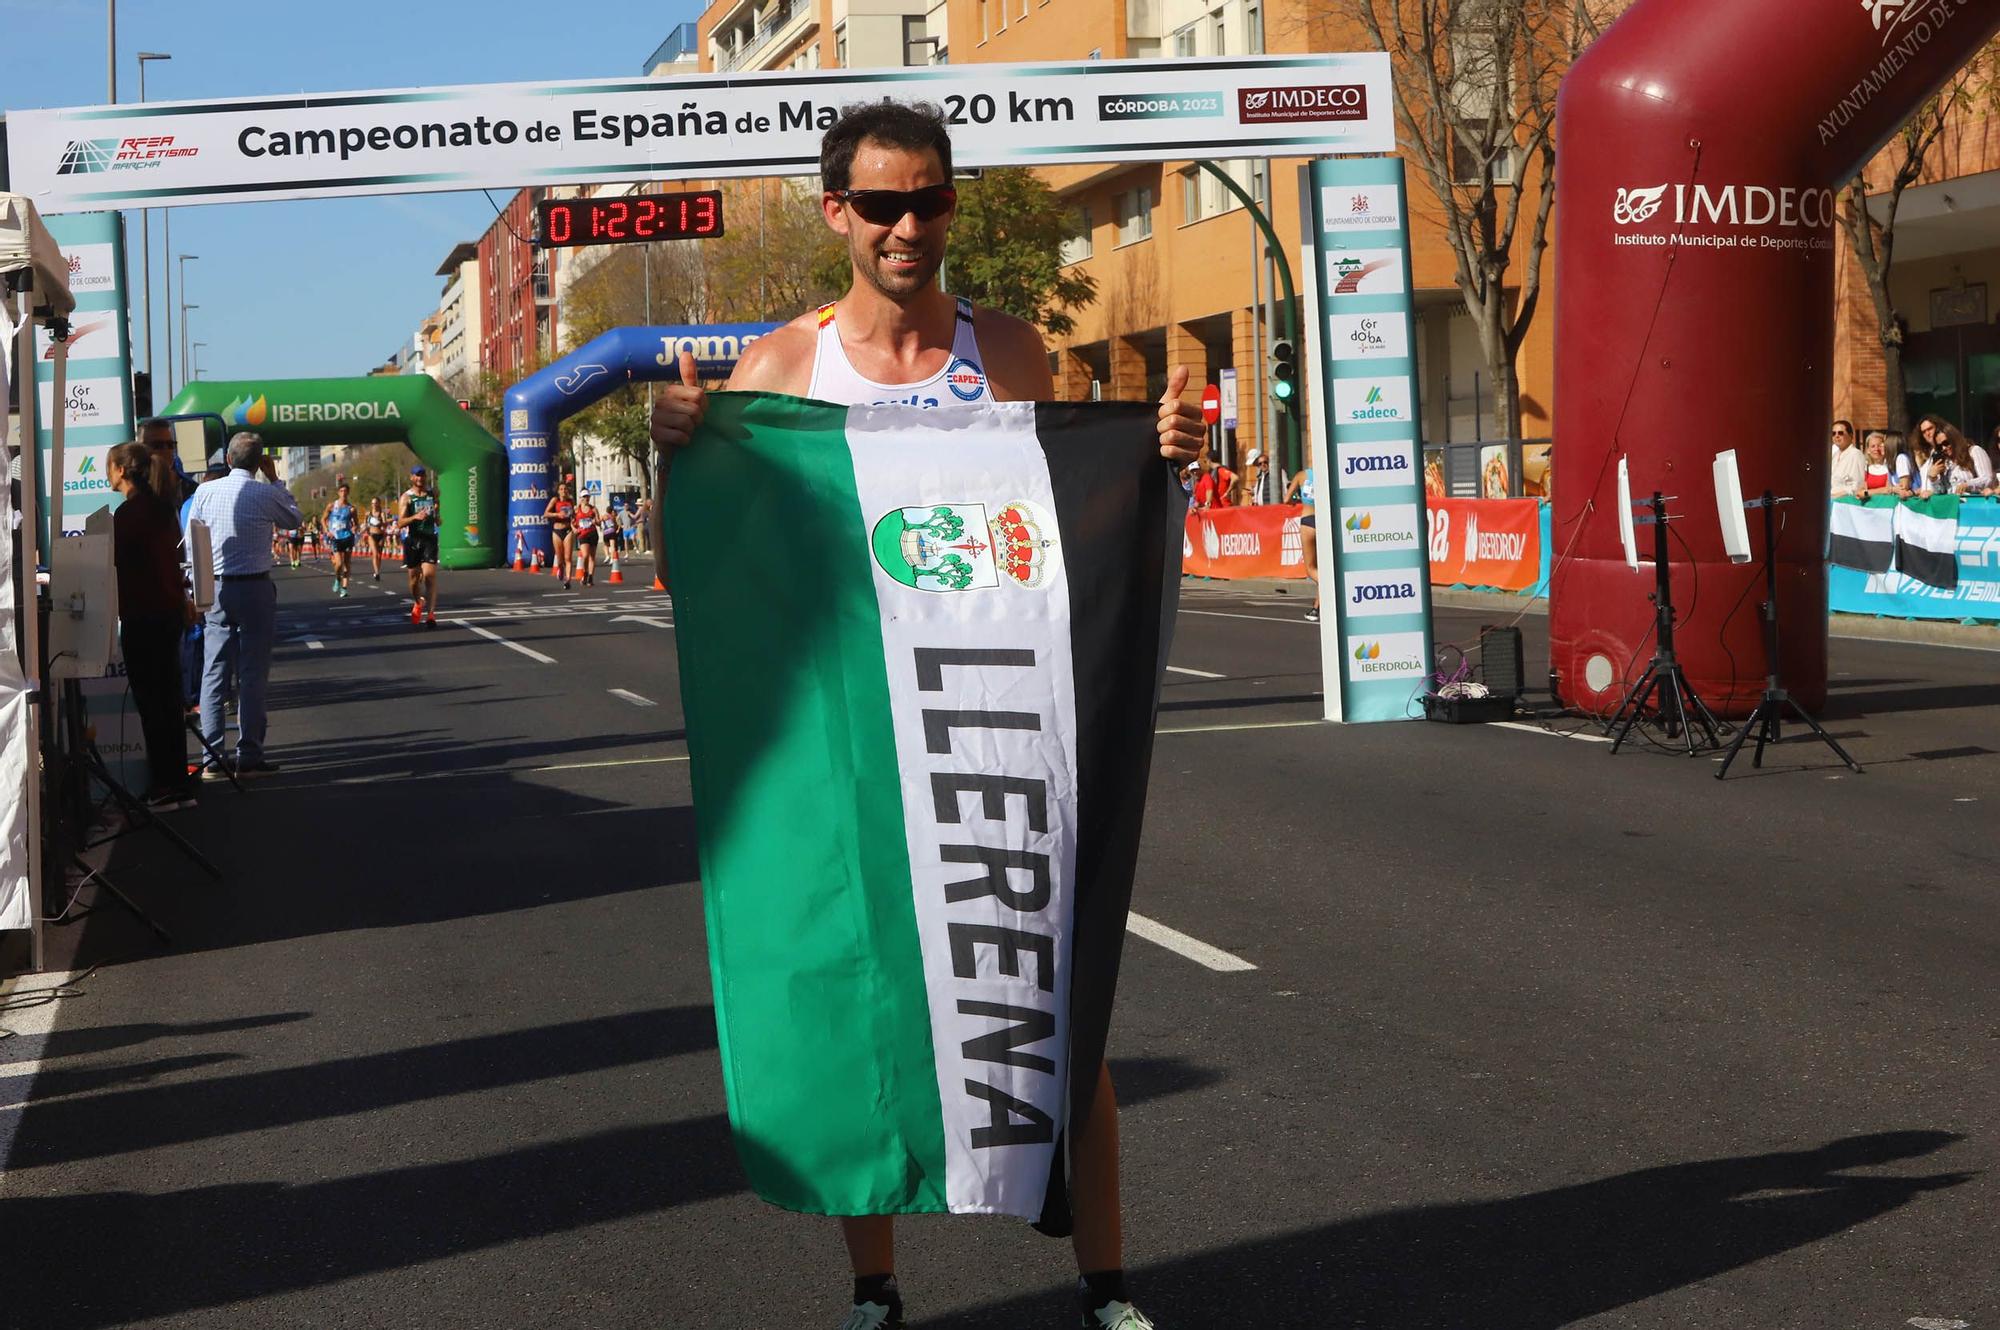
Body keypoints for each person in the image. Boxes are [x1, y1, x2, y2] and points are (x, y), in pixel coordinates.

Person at [648, 100, 1202, 1330]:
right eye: (884, 203)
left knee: (1059, 998)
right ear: (837, 211)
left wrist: (1156, 456)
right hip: (853, 731)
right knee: (867, 1006)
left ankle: (1105, 1284)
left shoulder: (1006, 351)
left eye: (931, 200)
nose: (910, 226)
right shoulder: (785, 369)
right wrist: (674, 460)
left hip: (997, 715)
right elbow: (700, 573)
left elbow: (1077, 531)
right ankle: (875, 1282)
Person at [184, 431, 302, 778]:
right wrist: (277, 480)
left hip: (216, 587)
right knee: (252, 676)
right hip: (255, 588)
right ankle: (249, 754)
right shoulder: (265, 493)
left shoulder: (204, 491)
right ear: (259, 463)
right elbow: (294, 520)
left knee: (213, 673)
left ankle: (212, 759)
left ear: (229, 460)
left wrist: (195, 586)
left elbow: (193, 541)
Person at [107, 442, 197, 808]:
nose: (106, 473)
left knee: (153, 705)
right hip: (166, 615)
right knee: (169, 702)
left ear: (122, 470)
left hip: (143, 616)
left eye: (109, 466)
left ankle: (164, 787)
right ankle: (176, 785)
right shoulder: (162, 509)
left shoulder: (128, 516)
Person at [397, 465, 442, 626]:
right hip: (413, 539)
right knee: (414, 579)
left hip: (429, 538)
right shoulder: (406, 498)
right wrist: (414, 517)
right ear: (411, 478)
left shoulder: (432, 493)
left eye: (422, 475)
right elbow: (400, 523)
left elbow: (437, 513)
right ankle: (417, 602)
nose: (420, 478)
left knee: (429, 576)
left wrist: (437, 518)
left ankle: (431, 615)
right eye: (417, 476)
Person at [1285, 463, 1319, 622]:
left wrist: (1295, 499)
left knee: (1311, 568)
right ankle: (1316, 609)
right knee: (1323, 568)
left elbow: (1286, 499)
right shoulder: (1326, 473)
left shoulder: (1301, 476)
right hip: (1324, 519)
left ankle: (1331, 586)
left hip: (1308, 519)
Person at [322, 483, 360, 597]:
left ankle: (344, 588)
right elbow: (323, 519)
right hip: (335, 537)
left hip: (347, 537)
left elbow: (356, 523)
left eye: (345, 491)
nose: (343, 493)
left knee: (347, 563)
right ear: (338, 492)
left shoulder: (351, 509)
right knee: (338, 564)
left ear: (348, 493)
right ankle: (338, 579)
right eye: (341, 491)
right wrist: (327, 531)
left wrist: (355, 527)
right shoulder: (331, 506)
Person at [544, 481, 577, 589]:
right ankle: (560, 569)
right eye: (561, 489)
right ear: (558, 491)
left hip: (567, 530)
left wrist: (574, 523)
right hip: (557, 531)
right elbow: (546, 514)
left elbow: (574, 516)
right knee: (560, 559)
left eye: (565, 489)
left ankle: (568, 580)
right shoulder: (555, 500)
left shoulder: (570, 501)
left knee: (568, 557)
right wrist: (557, 514)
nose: (564, 491)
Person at [1829, 419, 1865, 499]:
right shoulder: (1834, 456)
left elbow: (1857, 485)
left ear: (1851, 436)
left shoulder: (1856, 455)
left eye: (1840, 433)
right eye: (1833, 433)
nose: (1836, 436)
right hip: (1831, 501)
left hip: (1845, 502)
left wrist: (1835, 496)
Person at [573, 490, 601, 587]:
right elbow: (571, 522)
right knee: (585, 555)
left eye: (588, 497)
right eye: (584, 497)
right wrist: (574, 529)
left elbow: (599, 522)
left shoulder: (593, 509)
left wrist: (595, 521)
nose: (586, 499)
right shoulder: (577, 510)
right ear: (581, 498)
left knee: (592, 557)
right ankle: (585, 573)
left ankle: (590, 577)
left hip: (593, 534)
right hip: (583, 534)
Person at [1859, 430, 1894, 496]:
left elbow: (1888, 490)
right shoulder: (1865, 467)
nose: (1876, 449)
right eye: (1873, 446)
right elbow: (1861, 492)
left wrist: (1868, 493)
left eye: (1879, 446)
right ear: (1868, 450)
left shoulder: (1890, 466)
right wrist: (1882, 490)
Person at [365, 497, 388, 579]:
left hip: (381, 535)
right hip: (371, 535)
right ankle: (377, 572)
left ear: (379, 504)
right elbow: (366, 524)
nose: (374, 505)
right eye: (372, 503)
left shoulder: (382, 514)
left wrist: (381, 523)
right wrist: (366, 529)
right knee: (375, 553)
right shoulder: (368, 513)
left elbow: (385, 524)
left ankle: (378, 569)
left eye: (376, 503)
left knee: (379, 555)